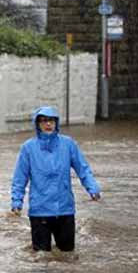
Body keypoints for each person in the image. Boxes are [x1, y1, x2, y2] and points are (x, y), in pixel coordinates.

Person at [11, 105, 101, 252]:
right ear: (37, 124)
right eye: (44, 121)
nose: (48, 124)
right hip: (40, 212)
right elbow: (20, 178)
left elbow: (83, 169)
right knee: (41, 258)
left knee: (67, 256)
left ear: (56, 123)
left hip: (65, 210)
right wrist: (16, 202)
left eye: (51, 121)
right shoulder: (28, 148)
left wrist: (93, 188)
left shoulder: (68, 144)